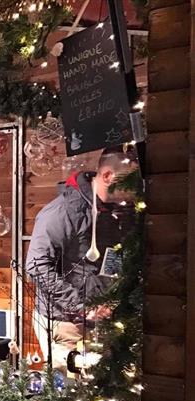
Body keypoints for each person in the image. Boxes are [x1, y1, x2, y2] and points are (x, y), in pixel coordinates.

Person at [25, 145, 137, 372]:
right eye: (131, 182)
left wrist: (111, 296)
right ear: (107, 176)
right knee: (69, 397)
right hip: (64, 323)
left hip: (101, 320)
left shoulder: (119, 212)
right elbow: (36, 266)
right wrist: (81, 305)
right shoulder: (63, 212)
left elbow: (112, 257)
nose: (136, 189)